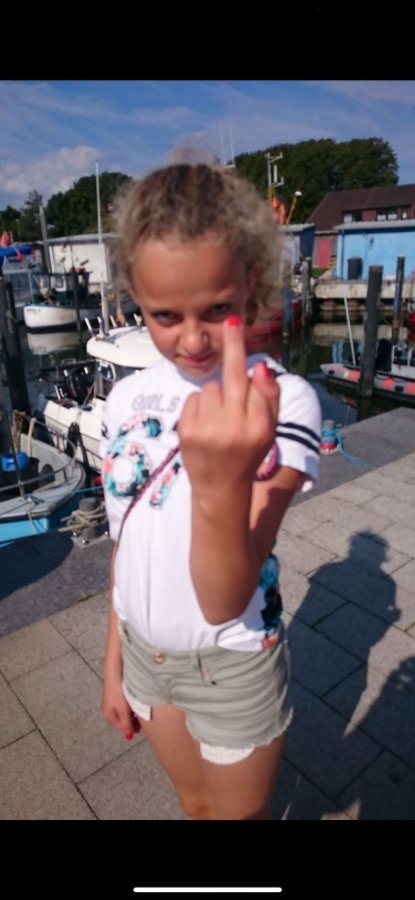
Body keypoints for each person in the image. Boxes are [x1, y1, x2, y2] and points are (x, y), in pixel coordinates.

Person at [100, 160, 322, 820]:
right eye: (165, 315)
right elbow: (125, 542)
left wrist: (219, 481)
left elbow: (224, 601)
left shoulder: (281, 402)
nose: (193, 338)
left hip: (230, 663)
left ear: (249, 280)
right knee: (194, 804)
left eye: (217, 310)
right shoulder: (124, 399)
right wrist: (113, 663)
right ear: (134, 295)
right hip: (143, 653)